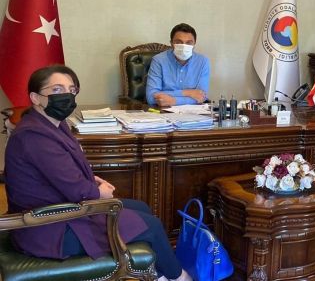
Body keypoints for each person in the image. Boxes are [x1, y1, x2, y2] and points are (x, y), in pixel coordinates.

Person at [4, 65, 191, 281]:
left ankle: (158, 274)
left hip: (61, 207)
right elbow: (76, 189)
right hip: (47, 226)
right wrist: (98, 192)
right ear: (35, 98)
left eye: (71, 89)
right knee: (152, 226)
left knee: (141, 207)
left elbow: (59, 170)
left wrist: (91, 180)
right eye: (57, 90)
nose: (67, 95)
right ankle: (179, 277)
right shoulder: (34, 136)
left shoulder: (53, 124)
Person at [146, 23, 210, 107]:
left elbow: (202, 96)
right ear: (171, 43)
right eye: (178, 42)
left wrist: (174, 101)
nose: (184, 46)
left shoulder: (203, 61)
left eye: (189, 43)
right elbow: (151, 97)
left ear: (194, 44)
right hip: (163, 111)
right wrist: (187, 93)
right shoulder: (158, 60)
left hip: (192, 112)